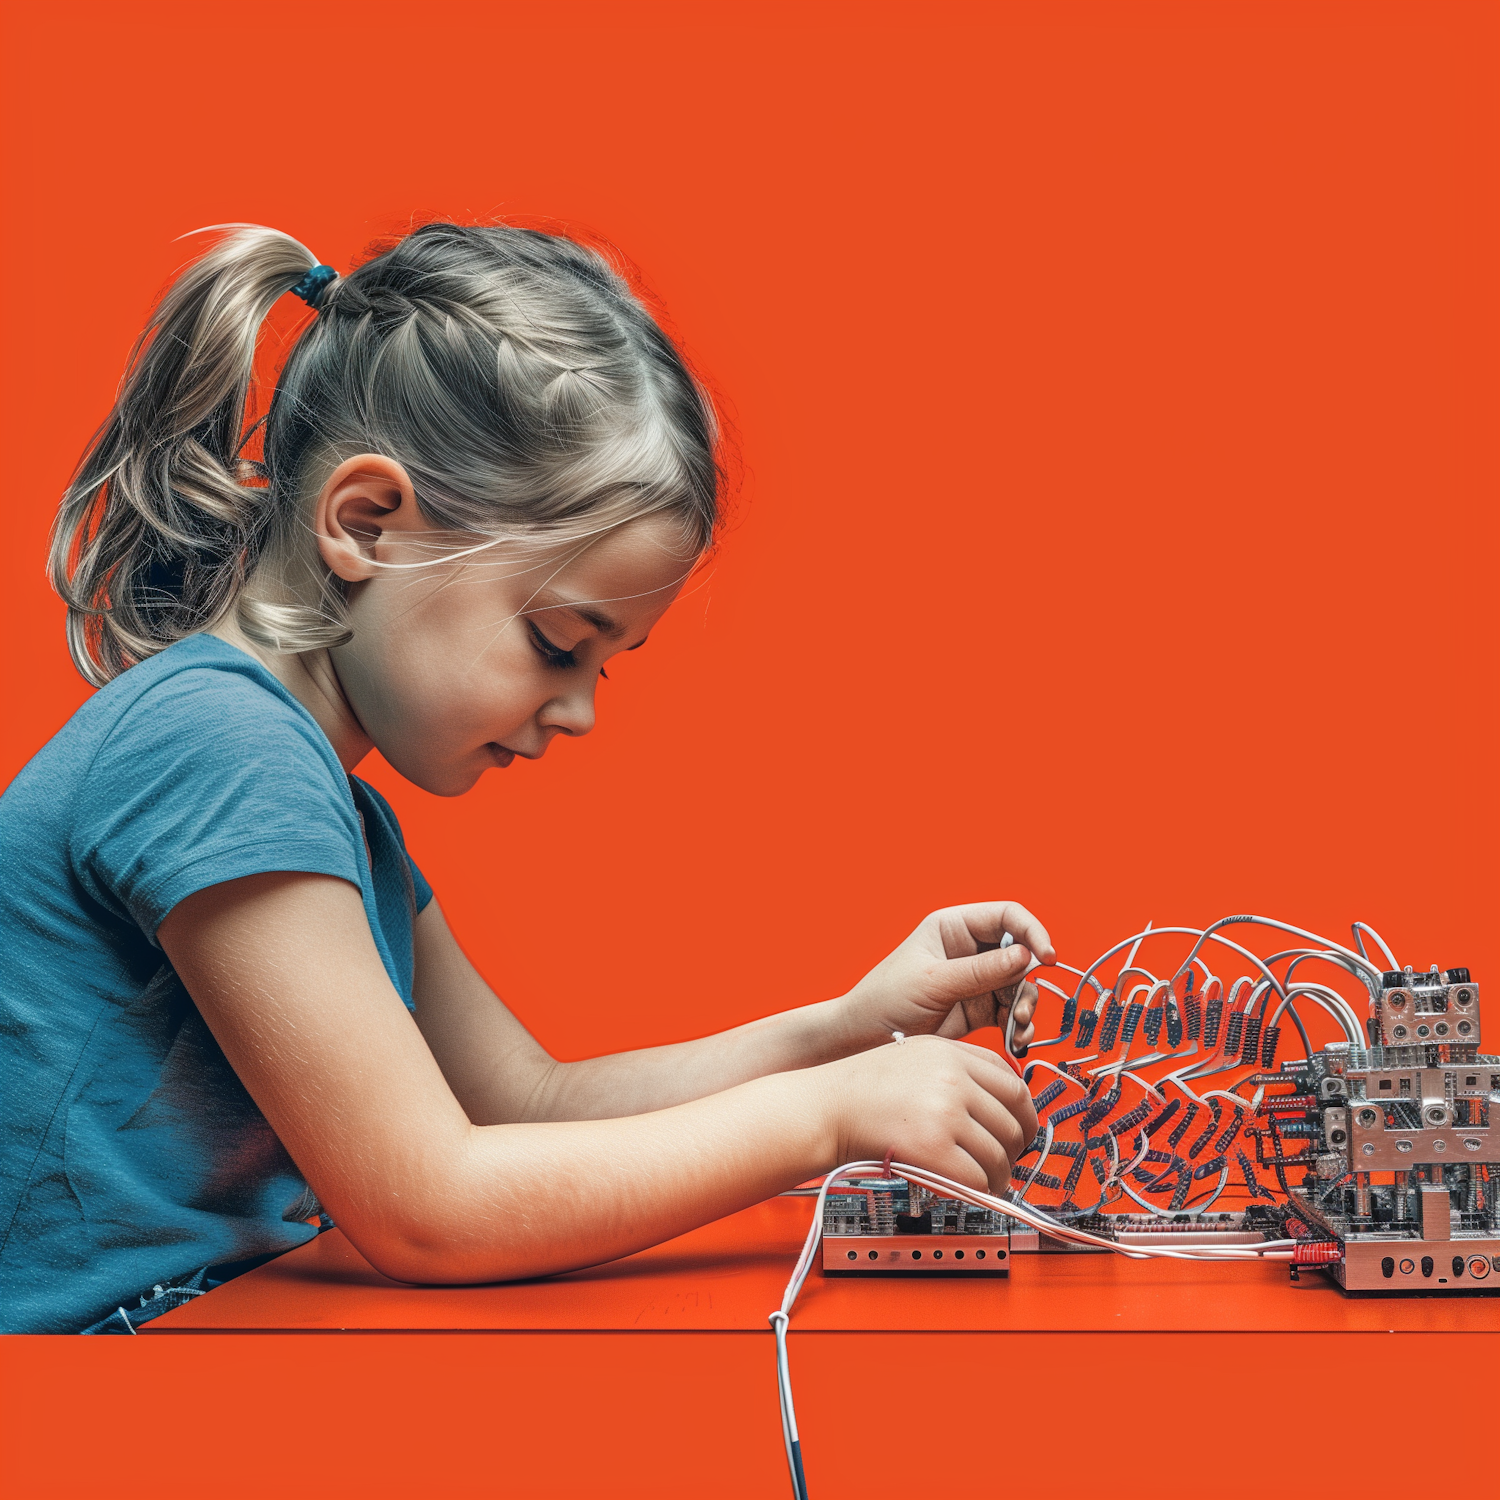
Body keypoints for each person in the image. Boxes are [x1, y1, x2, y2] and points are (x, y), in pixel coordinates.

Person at [0, 222, 1051, 1334]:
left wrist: (848, 1028)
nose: (581, 710)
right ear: (368, 524)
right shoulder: (219, 754)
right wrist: (828, 1119)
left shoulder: (333, 812)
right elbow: (432, 1206)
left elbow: (525, 1106)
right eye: (558, 641)